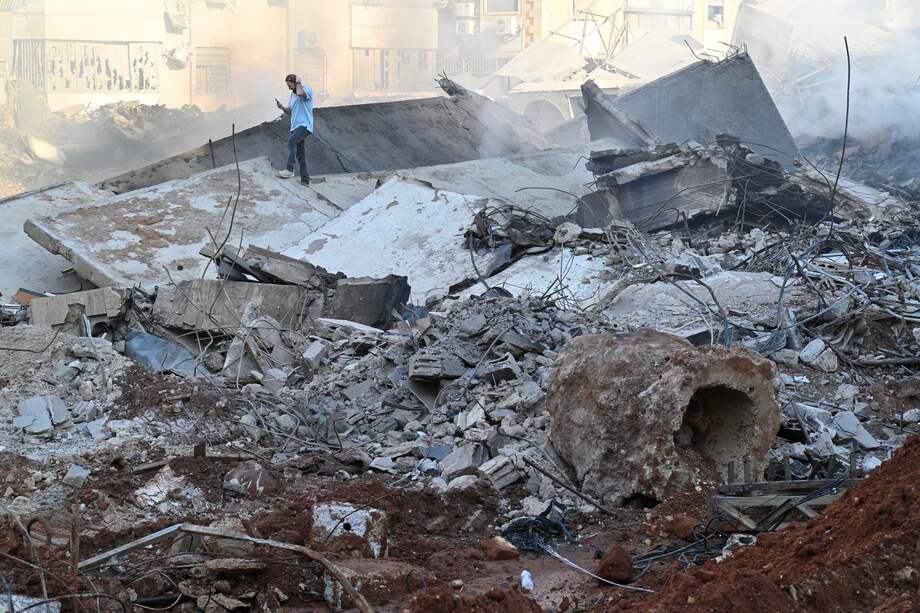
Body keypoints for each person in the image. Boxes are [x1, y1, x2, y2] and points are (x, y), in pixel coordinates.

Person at [275, 73, 313, 186]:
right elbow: (290, 111)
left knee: (291, 141)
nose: (288, 87)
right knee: (301, 154)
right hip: (295, 126)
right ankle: (305, 180)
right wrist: (282, 107)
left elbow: (302, 93)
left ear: (295, 83)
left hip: (305, 125)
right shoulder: (292, 95)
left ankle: (290, 169)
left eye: (290, 85)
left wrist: (298, 82)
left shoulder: (306, 90)